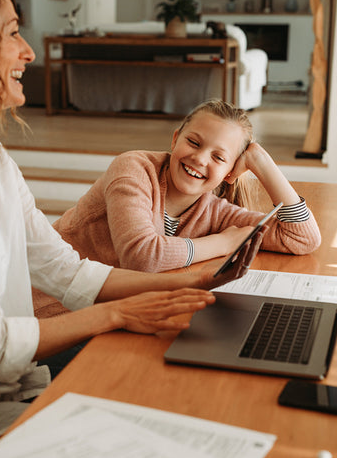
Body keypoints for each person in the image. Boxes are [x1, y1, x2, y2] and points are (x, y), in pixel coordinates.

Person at [0, 0, 263, 458]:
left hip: (19, 387)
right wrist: (119, 313)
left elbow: (66, 270)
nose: (29, 51)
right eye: (11, 33)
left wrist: (189, 282)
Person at [33, 99, 321, 316]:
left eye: (219, 157)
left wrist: (260, 161)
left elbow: (302, 238)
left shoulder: (214, 210)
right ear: (175, 139)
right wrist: (223, 243)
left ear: (231, 172)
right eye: (193, 142)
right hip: (51, 314)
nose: (199, 158)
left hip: (110, 313)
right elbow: (142, 257)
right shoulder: (133, 169)